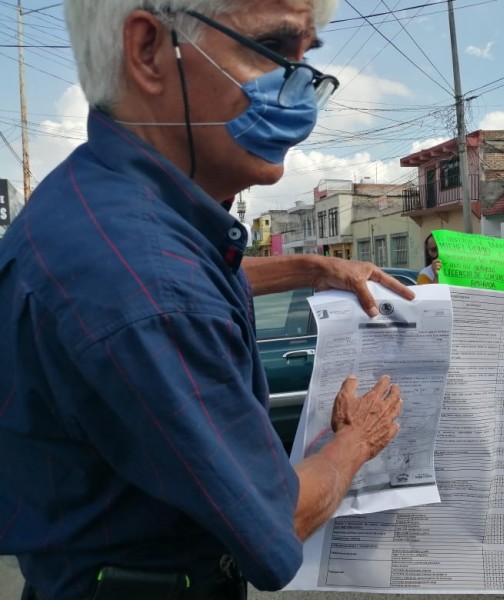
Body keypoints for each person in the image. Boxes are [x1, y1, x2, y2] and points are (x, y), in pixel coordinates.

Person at [0, 1, 414, 599]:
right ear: (147, 52)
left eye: (307, 64)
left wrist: (308, 267)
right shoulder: (150, 286)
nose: (298, 94)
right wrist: (358, 438)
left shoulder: (100, 206)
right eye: (274, 51)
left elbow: (201, 282)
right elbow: (275, 528)